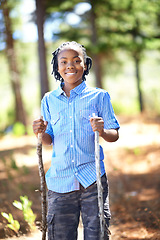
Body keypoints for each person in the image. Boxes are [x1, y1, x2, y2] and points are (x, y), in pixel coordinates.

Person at [33, 41, 120, 240]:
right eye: (63, 62)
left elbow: (114, 134)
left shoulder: (99, 96)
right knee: (60, 235)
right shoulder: (49, 99)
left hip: (92, 179)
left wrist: (102, 130)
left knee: (97, 234)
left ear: (85, 65)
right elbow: (48, 140)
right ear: (57, 67)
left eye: (76, 60)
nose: (69, 65)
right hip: (60, 182)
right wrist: (40, 132)